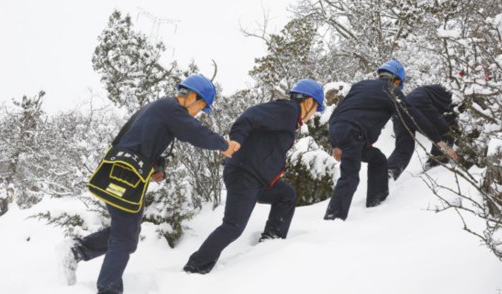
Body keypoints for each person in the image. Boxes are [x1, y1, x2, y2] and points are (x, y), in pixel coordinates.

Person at [59, 74, 240, 294]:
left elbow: (135, 139)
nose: (198, 114)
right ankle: (106, 287)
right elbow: (195, 132)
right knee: (125, 237)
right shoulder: (172, 108)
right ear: (192, 96)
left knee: (126, 234)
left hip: (119, 172)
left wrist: (154, 168)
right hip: (124, 176)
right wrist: (224, 145)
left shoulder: (157, 107)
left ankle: (76, 251)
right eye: (201, 107)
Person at [183, 79, 325, 274]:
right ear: (308, 102)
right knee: (233, 226)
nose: (313, 114)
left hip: (256, 179)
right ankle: (195, 267)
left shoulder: (289, 118)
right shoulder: (287, 110)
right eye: (316, 107)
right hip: (245, 175)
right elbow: (249, 117)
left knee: (286, 194)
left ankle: (271, 241)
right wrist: (237, 140)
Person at [324, 60, 458, 221]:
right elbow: (413, 116)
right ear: (396, 81)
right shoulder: (390, 91)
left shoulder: (360, 85)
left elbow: (336, 114)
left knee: (377, 159)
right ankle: (333, 218)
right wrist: (439, 141)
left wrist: (335, 144)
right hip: (353, 133)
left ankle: (375, 203)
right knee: (350, 176)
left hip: (339, 130)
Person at [387, 84, 458, 180]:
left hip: (400, 107)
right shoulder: (454, 95)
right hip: (419, 103)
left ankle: (389, 171)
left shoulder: (433, 90)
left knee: (404, 145)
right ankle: (436, 164)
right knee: (445, 131)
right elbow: (447, 118)